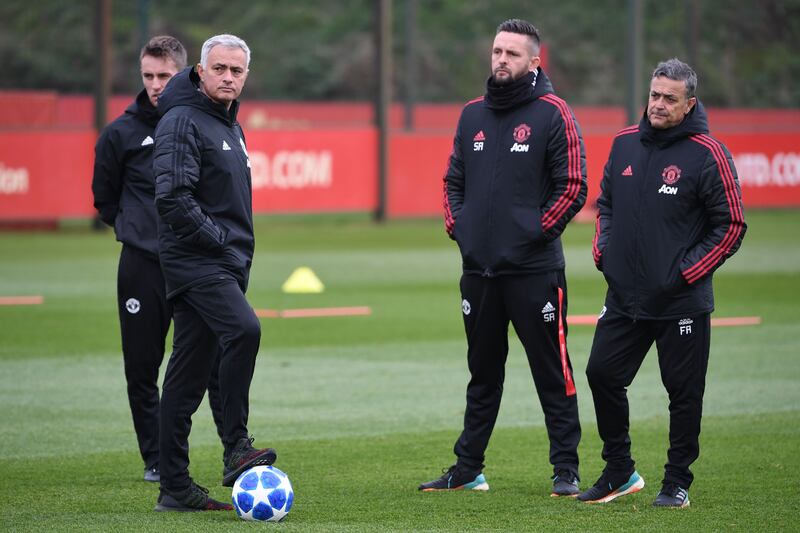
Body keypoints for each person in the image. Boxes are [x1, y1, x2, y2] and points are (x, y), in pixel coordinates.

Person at [419, 19, 587, 496]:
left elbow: (573, 187)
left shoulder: (554, 114)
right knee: (482, 373)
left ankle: (566, 469)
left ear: (535, 62)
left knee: (552, 373)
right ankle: (468, 468)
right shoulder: (472, 114)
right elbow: (453, 182)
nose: (501, 60)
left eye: (512, 54)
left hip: (534, 272)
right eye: (497, 51)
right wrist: (461, 230)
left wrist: (531, 235)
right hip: (479, 271)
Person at [577, 58, 746, 508]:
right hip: (625, 296)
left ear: (689, 104)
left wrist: (685, 272)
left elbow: (730, 226)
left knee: (683, 394)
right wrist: (603, 252)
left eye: (670, 98)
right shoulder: (624, 143)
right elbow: (605, 205)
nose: (659, 104)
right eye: (655, 95)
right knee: (601, 374)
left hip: (681, 301)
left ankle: (676, 483)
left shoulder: (708, 153)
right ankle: (620, 471)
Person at [91, 35, 225, 484]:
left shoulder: (201, 123)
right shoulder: (119, 134)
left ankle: (234, 452)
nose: (154, 84)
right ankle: (156, 459)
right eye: (147, 75)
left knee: (212, 362)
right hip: (142, 266)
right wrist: (138, 232)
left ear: (185, 73)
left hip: (191, 265)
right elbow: (105, 200)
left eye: (164, 76)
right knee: (143, 365)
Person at [152, 34, 276, 512]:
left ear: (246, 76)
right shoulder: (182, 120)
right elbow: (173, 198)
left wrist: (233, 252)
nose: (228, 77)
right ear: (200, 72)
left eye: (237, 71)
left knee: (186, 376)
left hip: (224, 262)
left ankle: (175, 488)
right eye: (219, 68)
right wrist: (220, 242)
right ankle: (236, 446)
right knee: (244, 330)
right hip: (198, 262)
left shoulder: (231, 126)